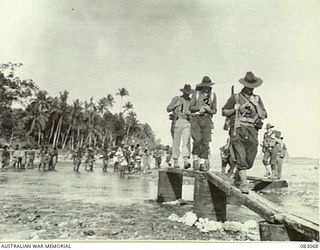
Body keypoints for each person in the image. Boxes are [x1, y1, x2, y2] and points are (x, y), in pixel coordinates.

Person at [222, 71, 267, 194]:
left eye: (252, 87)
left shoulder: (257, 98)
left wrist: (256, 104)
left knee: (250, 159)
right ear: (244, 85)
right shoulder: (235, 97)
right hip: (238, 128)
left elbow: (263, 115)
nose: (250, 89)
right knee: (240, 155)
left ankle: (237, 176)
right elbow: (224, 111)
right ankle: (243, 183)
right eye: (248, 86)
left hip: (252, 130)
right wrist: (234, 109)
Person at [189, 76, 217, 171]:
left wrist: (210, 110)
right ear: (202, 86)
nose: (207, 88)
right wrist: (198, 108)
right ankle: (195, 159)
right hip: (196, 118)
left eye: (208, 86)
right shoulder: (196, 94)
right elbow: (190, 107)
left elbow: (215, 110)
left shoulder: (213, 96)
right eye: (205, 86)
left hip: (207, 119)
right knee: (197, 139)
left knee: (205, 141)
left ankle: (202, 162)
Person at [167, 84, 195, 169]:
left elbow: (193, 112)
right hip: (177, 120)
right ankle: (175, 160)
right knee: (176, 141)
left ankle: (186, 160)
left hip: (187, 121)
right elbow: (168, 109)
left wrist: (189, 113)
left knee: (186, 141)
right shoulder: (177, 99)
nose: (187, 94)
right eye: (186, 92)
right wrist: (176, 105)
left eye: (189, 93)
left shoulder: (191, 101)